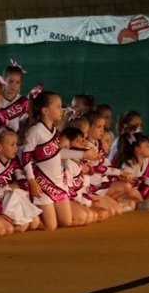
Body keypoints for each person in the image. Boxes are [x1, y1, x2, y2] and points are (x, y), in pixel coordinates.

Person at [22, 91, 96, 231]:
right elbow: (25, 157)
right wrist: (31, 181)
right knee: (51, 226)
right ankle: (29, 214)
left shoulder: (55, 131)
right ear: (45, 110)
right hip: (42, 184)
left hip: (57, 182)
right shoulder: (35, 131)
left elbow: (57, 153)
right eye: (57, 106)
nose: (61, 109)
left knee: (66, 221)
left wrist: (83, 154)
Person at [0, 128, 41, 232]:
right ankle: (4, 225)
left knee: (34, 222)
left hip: (9, 198)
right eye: (12, 145)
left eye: (17, 144)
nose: (16, 148)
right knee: (22, 226)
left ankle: (10, 223)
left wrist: (9, 188)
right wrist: (5, 190)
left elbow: (23, 183)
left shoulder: (14, 162)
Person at [118, 133, 149, 209]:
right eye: (147, 146)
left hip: (141, 193)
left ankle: (147, 203)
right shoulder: (129, 164)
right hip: (128, 193)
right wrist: (140, 197)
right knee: (132, 193)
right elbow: (125, 187)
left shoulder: (147, 161)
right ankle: (145, 204)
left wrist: (146, 193)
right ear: (137, 149)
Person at [0, 59, 31, 133]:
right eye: (11, 81)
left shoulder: (23, 101)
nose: (14, 85)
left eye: (17, 82)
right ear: (3, 81)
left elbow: (26, 123)